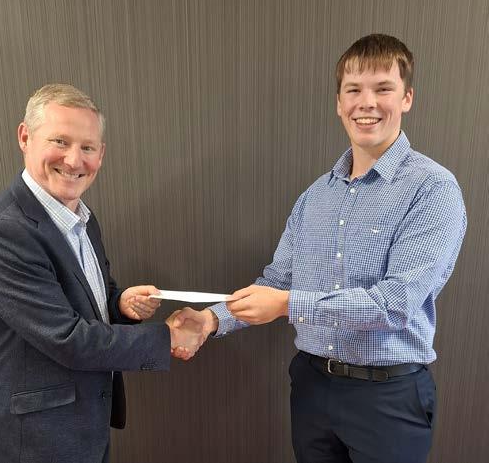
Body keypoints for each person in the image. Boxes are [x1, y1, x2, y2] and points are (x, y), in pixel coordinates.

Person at [177, 34, 467, 462]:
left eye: (383, 88)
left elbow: (395, 304)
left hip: (387, 398)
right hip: (312, 387)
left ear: (406, 98)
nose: (366, 103)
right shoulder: (315, 195)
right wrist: (211, 320)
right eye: (353, 90)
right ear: (338, 102)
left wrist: (287, 305)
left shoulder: (432, 188)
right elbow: (276, 281)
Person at [0, 83, 203, 463]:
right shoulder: (0, 233)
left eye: (87, 147)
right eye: (60, 141)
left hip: (84, 425)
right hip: (35, 440)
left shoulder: (81, 218)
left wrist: (119, 305)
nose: (74, 161)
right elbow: (67, 338)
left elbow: (80, 302)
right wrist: (168, 337)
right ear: (25, 137)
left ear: (101, 154)